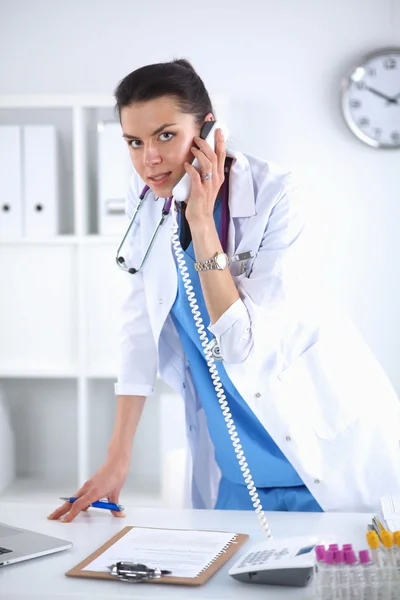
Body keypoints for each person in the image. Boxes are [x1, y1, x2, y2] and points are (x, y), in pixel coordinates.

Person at [48, 58, 400, 524]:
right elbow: (140, 327)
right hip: (238, 466)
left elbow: (240, 343)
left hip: (321, 455)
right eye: (134, 142)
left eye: (165, 135)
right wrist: (118, 455)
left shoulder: (278, 197)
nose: (148, 157)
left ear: (208, 131)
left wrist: (199, 220)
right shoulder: (149, 197)